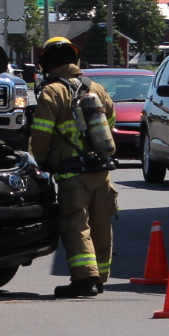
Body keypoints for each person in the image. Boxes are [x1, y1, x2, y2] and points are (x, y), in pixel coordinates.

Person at [28, 35, 119, 298]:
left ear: (46, 63)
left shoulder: (51, 91)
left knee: (75, 223)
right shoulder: (96, 88)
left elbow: (41, 133)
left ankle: (83, 279)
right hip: (101, 169)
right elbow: (110, 119)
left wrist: (41, 161)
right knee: (102, 224)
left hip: (71, 172)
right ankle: (100, 278)